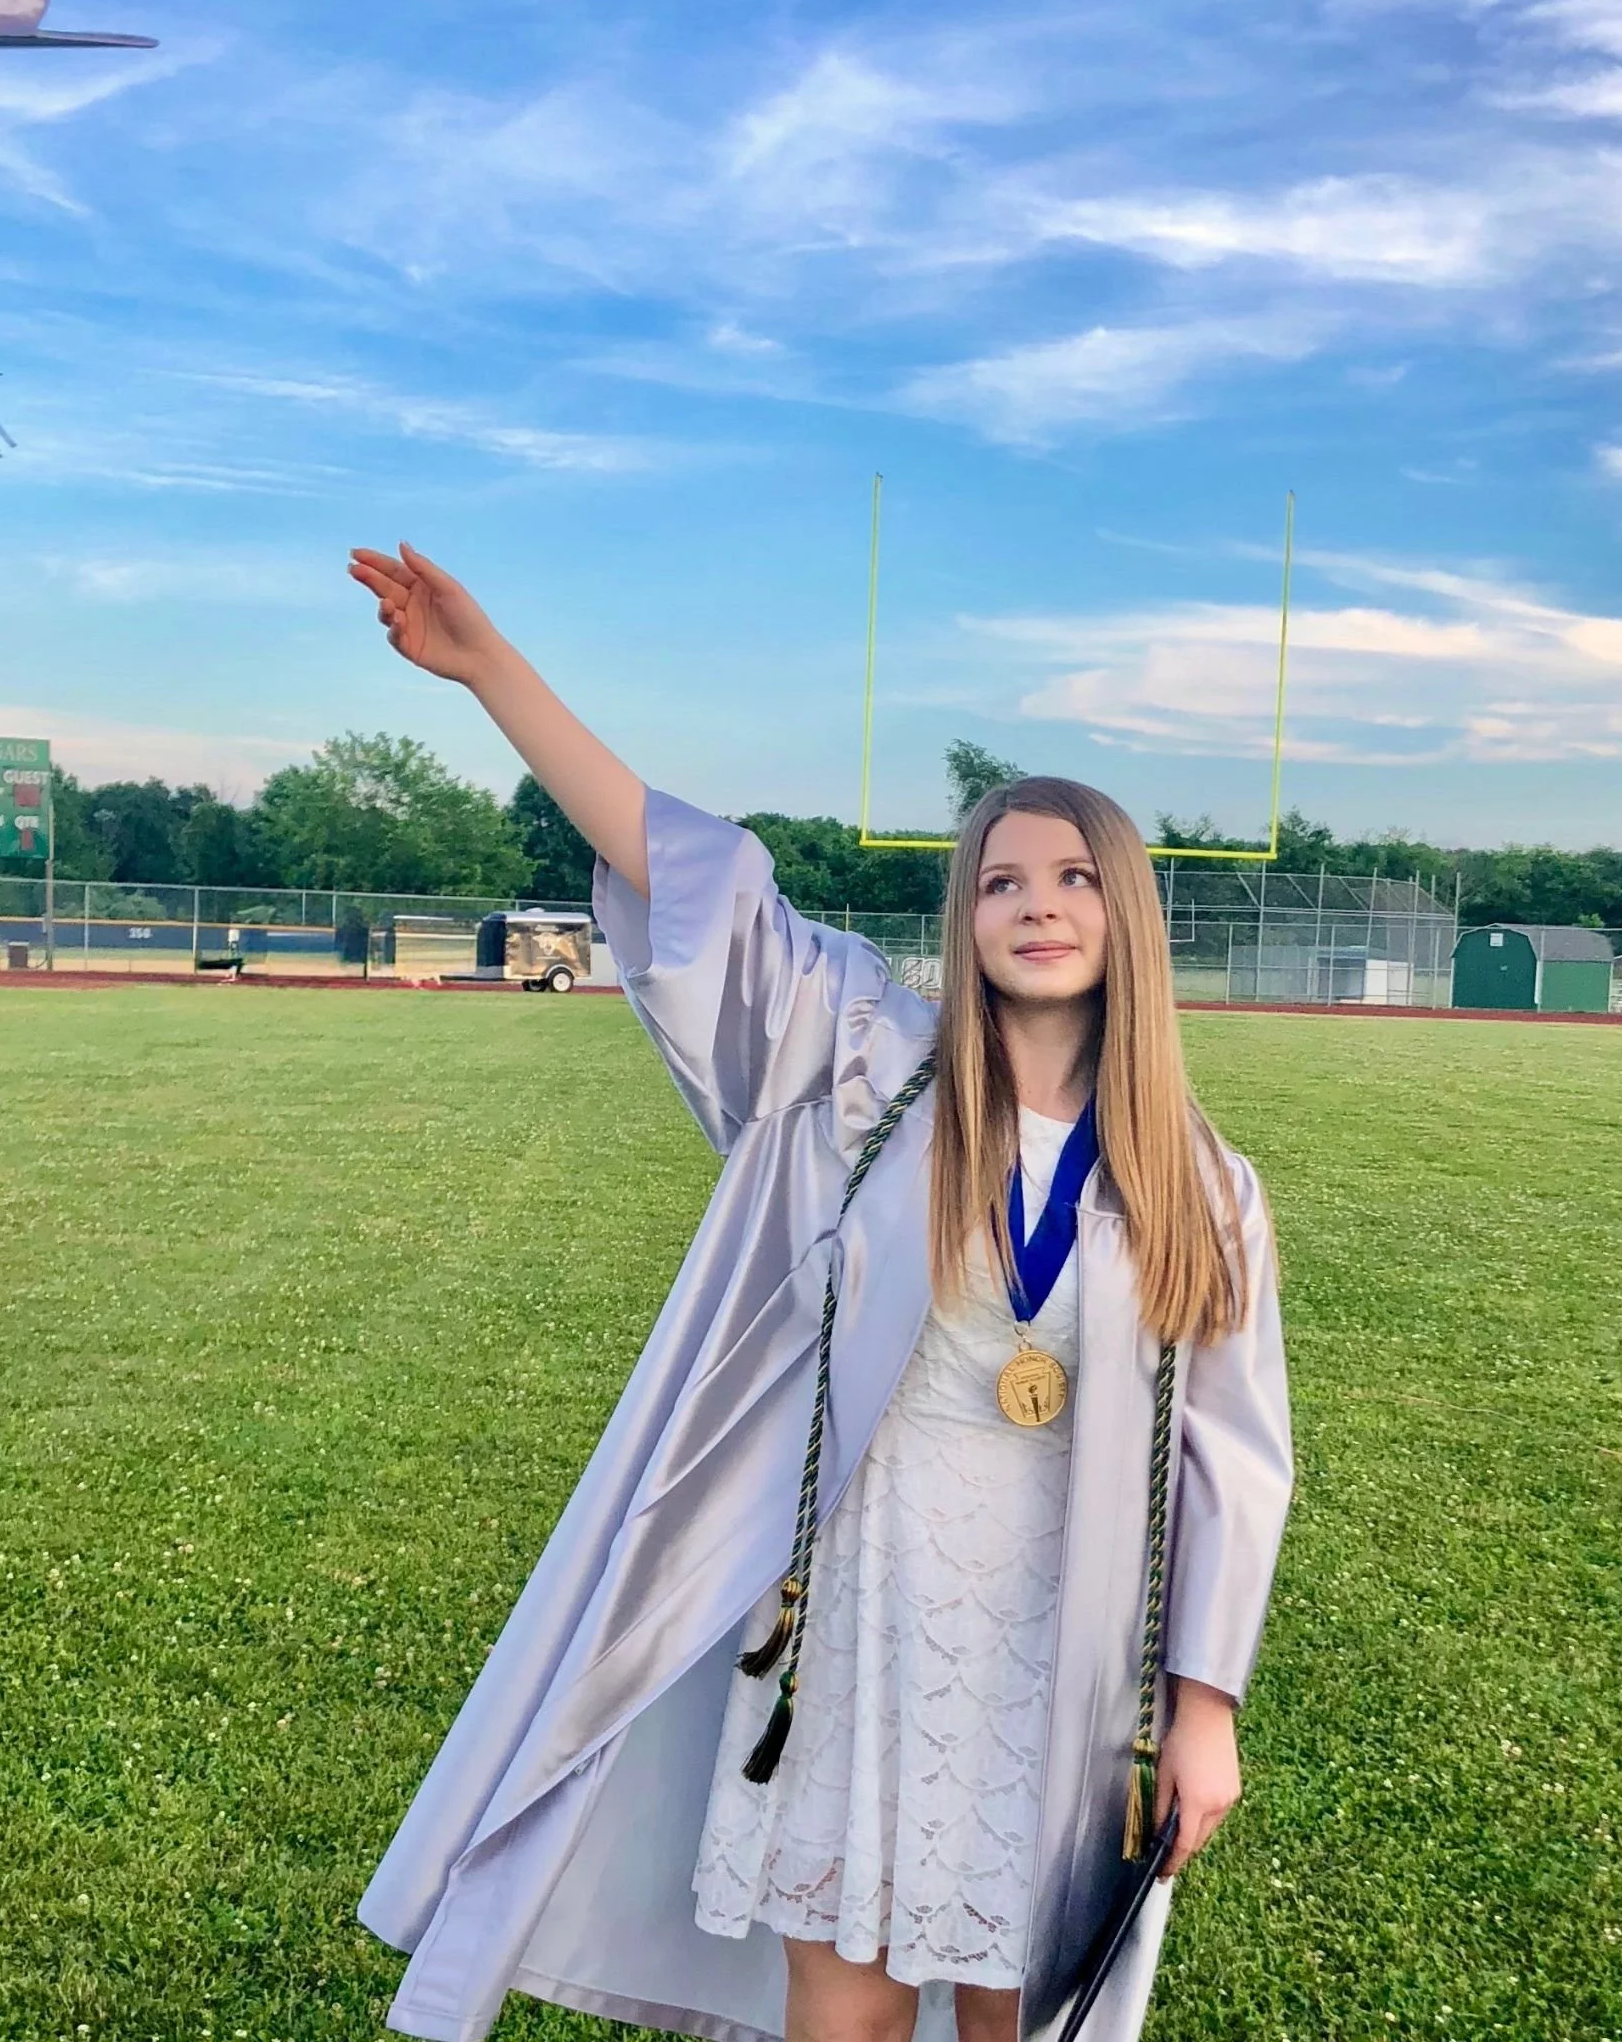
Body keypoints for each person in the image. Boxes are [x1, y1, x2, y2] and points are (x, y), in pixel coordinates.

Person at [347, 543, 1294, 2042]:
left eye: (1070, 877)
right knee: (839, 1998)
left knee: (1022, 1998)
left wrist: (1207, 1710)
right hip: (858, 1603)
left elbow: (1233, 1461)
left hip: (1064, 1629)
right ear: (964, 920)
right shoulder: (870, 1068)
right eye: (998, 880)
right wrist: (491, 676)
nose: (1034, 905)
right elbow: (702, 883)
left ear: (1127, 913)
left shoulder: (1200, 1183)